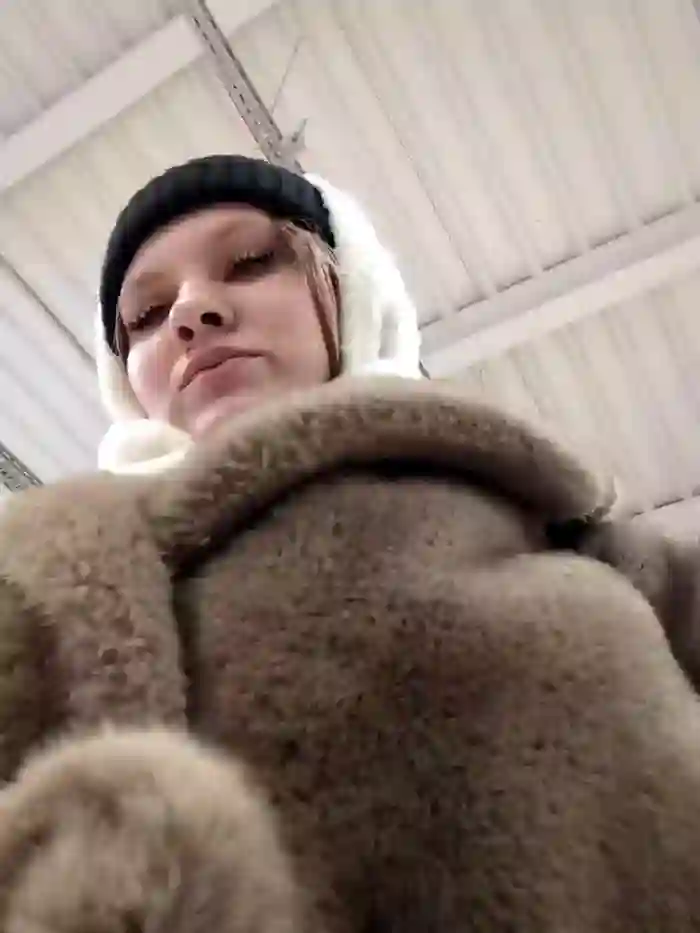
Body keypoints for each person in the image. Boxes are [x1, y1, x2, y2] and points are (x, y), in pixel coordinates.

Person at [0, 155, 700, 932]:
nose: (190, 312)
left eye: (250, 260)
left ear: (352, 285)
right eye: (146, 314)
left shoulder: (552, 513)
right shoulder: (50, 589)